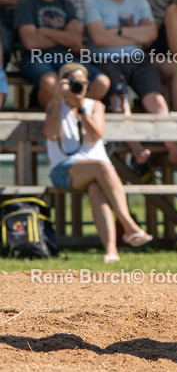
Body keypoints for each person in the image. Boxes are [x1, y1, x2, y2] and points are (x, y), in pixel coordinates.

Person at [84, 0, 177, 169]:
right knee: (120, 101)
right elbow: (98, 38)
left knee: (157, 100)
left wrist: (115, 32)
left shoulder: (138, 0)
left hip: (136, 58)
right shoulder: (93, 0)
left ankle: (173, 149)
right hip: (104, 59)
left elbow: (151, 34)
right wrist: (134, 34)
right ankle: (137, 149)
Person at [45, 62, 153, 262]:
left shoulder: (95, 106)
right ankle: (129, 226)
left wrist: (80, 109)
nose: (78, 87)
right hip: (64, 169)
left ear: (87, 85)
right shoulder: (55, 105)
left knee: (96, 188)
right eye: (72, 83)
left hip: (98, 173)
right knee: (102, 166)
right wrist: (60, 100)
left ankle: (111, 251)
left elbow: (95, 135)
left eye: (81, 83)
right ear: (63, 84)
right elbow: (51, 135)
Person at [16, 0, 110, 108]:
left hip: (65, 56)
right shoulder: (27, 3)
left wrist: (45, 31)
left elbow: (76, 41)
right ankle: (58, 121)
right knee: (50, 81)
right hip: (36, 58)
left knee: (102, 82)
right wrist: (64, 35)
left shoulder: (66, 4)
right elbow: (31, 42)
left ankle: (73, 116)